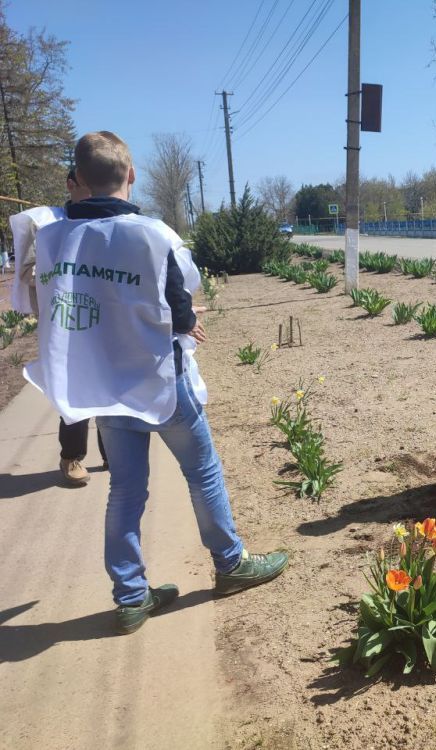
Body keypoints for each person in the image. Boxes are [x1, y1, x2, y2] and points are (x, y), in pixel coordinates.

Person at [24, 131, 287, 634]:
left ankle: (130, 596)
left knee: (124, 490)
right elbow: (181, 304)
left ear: (76, 180)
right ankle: (230, 564)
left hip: (104, 386)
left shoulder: (53, 237)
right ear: (133, 175)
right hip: (160, 381)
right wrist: (186, 321)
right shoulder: (153, 234)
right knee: (202, 471)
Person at [8, 169, 107, 485]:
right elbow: (26, 273)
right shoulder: (49, 226)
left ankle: (114, 452)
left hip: (104, 318)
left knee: (108, 386)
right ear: (71, 186)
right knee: (75, 389)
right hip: (67, 320)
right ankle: (72, 457)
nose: (96, 194)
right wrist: (53, 268)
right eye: (89, 187)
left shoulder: (107, 222)